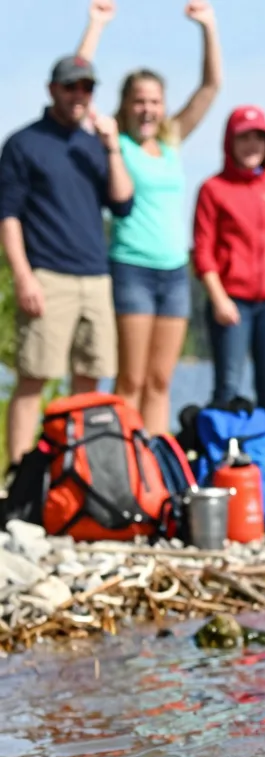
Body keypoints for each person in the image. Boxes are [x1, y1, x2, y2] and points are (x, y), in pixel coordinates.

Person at [75, 0, 223, 435]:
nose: (148, 109)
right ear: (125, 104)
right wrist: (96, 26)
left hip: (174, 272)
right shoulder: (113, 141)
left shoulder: (172, 139)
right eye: (139, 101)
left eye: (155, 101)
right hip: (132, 269)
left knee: (161, 381)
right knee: (131, 380)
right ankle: (123, 471)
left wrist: (208, 26)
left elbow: (210, 87)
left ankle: (154, 469)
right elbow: (78, 87)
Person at [0, 54, 134, 472]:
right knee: (34, 379)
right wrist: (24, 277)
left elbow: (124, 202)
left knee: (90, 381)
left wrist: (112, 147)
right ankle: (18, 476)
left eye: (87, 88)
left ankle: (80, 473)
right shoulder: (24, 143)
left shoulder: (94, 143)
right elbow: (8, 216)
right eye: (71, 86)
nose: (79, 95)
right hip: (47, 276)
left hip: (95, 277)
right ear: (52, 89)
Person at [192, 104, 265, 415]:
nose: (252, 145)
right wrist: (219, 300)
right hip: (232, 302)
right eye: (243, 138)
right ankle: (220, 458)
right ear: (230, 142)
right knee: (227, 385)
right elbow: (203, 252)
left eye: (259, 138)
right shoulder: (213, 189)